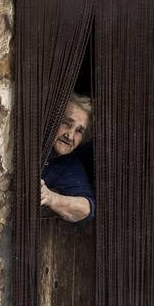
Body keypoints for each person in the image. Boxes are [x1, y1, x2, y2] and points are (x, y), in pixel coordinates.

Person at [40, 95, 95, 223]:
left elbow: (87, 208)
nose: (70, 136)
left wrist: (51, 198)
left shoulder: (68, 163)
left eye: (79, 131)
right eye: (66, 123)